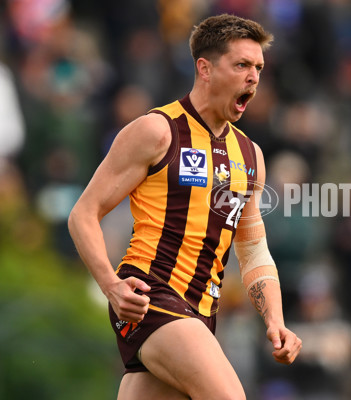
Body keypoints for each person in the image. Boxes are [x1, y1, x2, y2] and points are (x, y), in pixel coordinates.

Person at [68, 14, 302, 399]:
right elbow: (83, 213)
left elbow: (253, 248)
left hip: (200, 313)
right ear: (204, 68)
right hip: (151, 298)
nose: (254, 77)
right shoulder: (157, 131)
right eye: (242, 64)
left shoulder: (250, 155)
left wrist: (275, 320)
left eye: (258, 67)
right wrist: (111, 286)